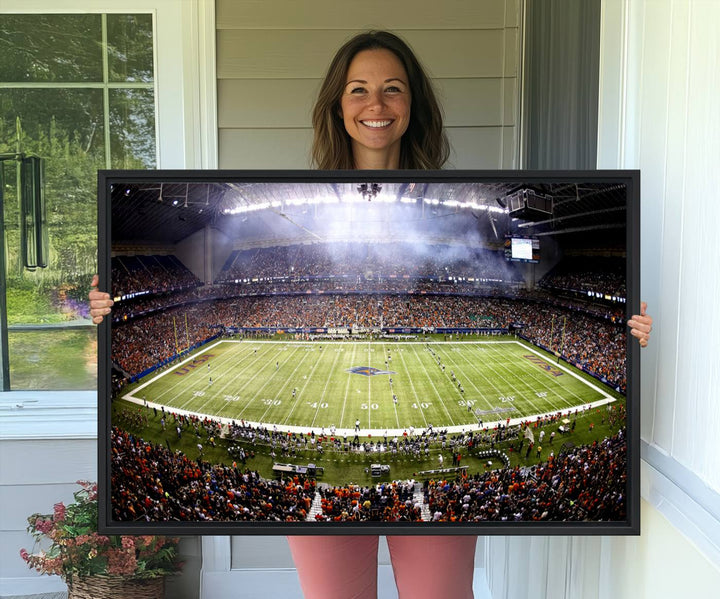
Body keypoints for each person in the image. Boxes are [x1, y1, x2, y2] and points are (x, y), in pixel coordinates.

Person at [89, 29, 653, 599]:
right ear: (337, 104)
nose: (375, 105)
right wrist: (105, 313)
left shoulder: (452, 198)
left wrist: (630, 333)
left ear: (414, 105)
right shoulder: (291, 191)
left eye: (393, 89)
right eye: (358, 89)